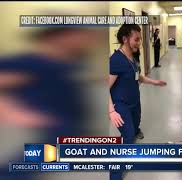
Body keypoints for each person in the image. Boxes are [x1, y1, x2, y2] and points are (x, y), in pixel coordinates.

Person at [0, 28, 105, 180]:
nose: (87, 41)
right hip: (49, 132)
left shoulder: (68, 61)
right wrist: (11, 112)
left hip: (72, 131)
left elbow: (62, 82)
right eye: (79, 36)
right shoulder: (29, 62)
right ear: (59, 37)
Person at [108, 24, 166, 180]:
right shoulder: (115, 60)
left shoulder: (132, 56)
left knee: (135, 125)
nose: (139, 43)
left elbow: (137, 76)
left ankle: (134, 133)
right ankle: (115, 175)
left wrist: (154, 82)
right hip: (121, 105)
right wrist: (111, 111)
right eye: (137, 39)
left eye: (140, 39)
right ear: (125, 39)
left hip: (134, 101)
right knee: (127, 136)